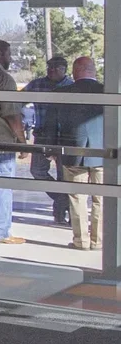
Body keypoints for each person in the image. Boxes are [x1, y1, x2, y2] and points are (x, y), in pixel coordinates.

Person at [0, 37, 26, 245]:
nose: (10, 58)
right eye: (9, 54)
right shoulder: (5, 79)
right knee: (2, 186)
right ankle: (0, 232)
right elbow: (12, 115)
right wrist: (22, 142)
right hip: (1, 141)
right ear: (0, 53)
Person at [29, 52, 74, 226]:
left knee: (64, 176)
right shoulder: (37, 84)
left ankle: (63, 213)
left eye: (56, 68)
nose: (52, 70)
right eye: (49, 67)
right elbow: (16, 101)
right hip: (41, 135)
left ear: (65, 70)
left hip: (65, 138)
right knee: (37, 171)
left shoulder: (71, 87)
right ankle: (63, 199)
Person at [65, 53, 104, 251]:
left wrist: (52, 150)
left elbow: (54, 124)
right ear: (93, 71)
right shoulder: (108, 91)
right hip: (105, 154)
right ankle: (98, 241)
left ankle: (81, 241)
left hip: (73, 152)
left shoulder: (63, 93)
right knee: (102, 197)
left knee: (77, 197)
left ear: (78, 71)